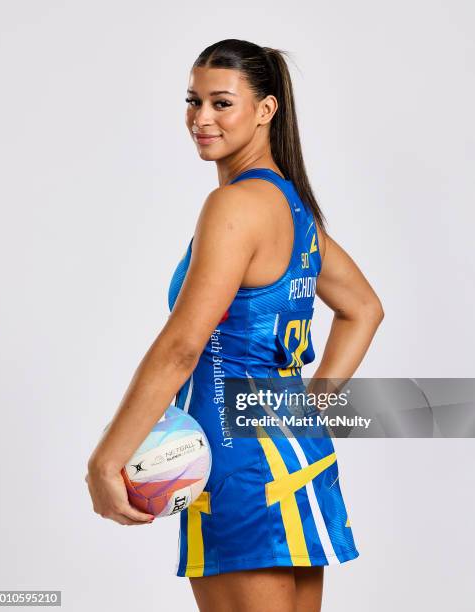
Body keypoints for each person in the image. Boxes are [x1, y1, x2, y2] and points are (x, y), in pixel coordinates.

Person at [85, 39, 384, 612]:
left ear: (266, 110)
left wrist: (106, 457)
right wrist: (311, 407)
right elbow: (363, 308)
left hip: (239, 470)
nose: (201, 119)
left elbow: (181, 347)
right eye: (193, 101)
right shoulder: (292, 209)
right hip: (297, 455)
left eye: (222, 103)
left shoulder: (235, 206)